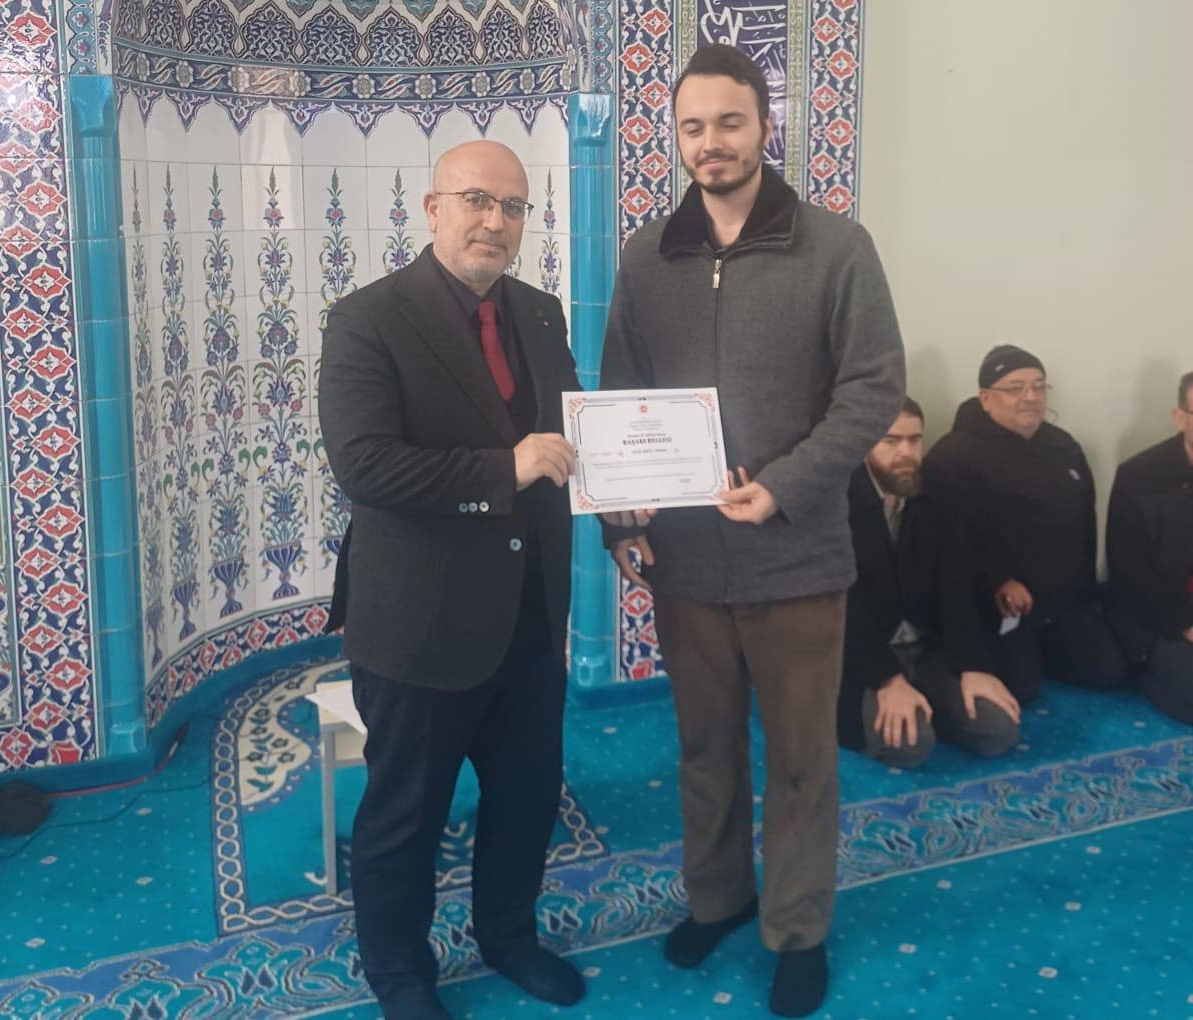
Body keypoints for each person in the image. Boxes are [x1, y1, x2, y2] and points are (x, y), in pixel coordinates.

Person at [599, 44, 905, 1018]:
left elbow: (873, 390)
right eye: (692, 126)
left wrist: (782, 488)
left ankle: (798, 929)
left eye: (729, 122)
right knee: (705, 749)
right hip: (687, 563)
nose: (711, 143)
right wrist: (619, 519)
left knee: (804, 761)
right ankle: (719, 899)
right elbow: (621, 394)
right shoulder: (647, 256)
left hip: (800, 558)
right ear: (676, 136)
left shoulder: (836, 248)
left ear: (767, 126)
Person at [318, 141, 583, 1019]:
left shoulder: (540, 313)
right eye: (476, 200)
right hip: (419, 624)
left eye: (512, 207)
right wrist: (503, 470)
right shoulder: (368, 319)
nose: (494, 222)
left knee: (526, 798)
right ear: (432, 208)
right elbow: (365, 467)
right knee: (405, 818)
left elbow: (569, 440)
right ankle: (401, 975)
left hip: (531, 616)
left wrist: (634, 493)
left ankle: (508, 937)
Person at [923, 345, 1129, 704]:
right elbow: (949, 542)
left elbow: (1085, 522)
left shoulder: (1063, 446)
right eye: (1015, 388)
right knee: (1022, 689)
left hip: (1064, 602)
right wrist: (998, 579)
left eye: (1038, 386)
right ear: (986, 398)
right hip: (998, 603)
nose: (1030, 397)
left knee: (1108, 671)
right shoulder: (953, 456)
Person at [839, 397, 1020, 767]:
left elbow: (957, 585)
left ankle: (928, 701)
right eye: (891, 441)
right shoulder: (837, 500)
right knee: (910, 746)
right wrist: (888, 680)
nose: (906, 453)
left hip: (926, 647)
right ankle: (906, 705)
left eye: (914, 440)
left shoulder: (940, 489)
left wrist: (973, 666)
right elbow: (843, 606)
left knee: (998, 729)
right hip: (862, 655)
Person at [1106, 370, 1193, 724]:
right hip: (1162, 616)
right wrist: (1187, 626)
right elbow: (1130, 572)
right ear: (1180, 417)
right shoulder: (1139, 476)